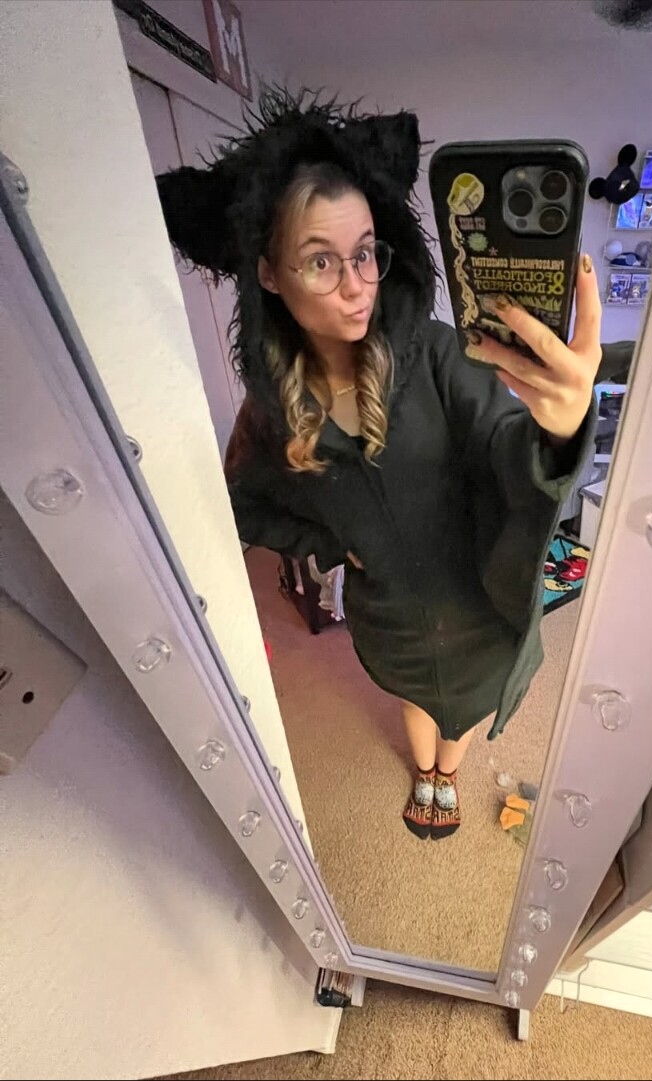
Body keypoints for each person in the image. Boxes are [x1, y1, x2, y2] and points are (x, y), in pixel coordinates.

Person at [157, 90, 600, 840]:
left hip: (477, 603)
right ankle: (426, 772)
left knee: (463, 711)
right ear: (270, 275)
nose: (357, 283)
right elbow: (243, 503)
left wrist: (557, 431)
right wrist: (329, 542)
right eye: (320, 261)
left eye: (364, 252)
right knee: (416, 700)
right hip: (391, 618)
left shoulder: (436, 353)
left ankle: (447, 773)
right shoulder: (272, 412)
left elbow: (503, 442)